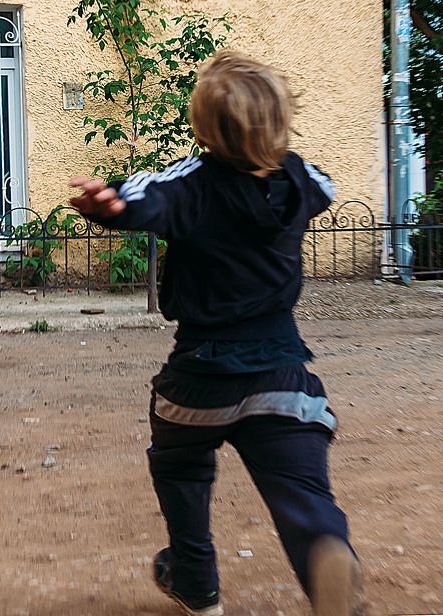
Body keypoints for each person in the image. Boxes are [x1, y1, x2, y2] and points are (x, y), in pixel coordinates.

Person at [69, 51, 360, 616]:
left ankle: (196, 582)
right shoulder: (299, 179)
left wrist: (110, 205)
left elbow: (148, 197)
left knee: (179, 464)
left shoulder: (195, 182)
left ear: (203, 130)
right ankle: (322, 543)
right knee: (300, 483)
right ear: (281, 121)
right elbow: (325, 188)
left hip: (200, 375)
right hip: (281, 376)